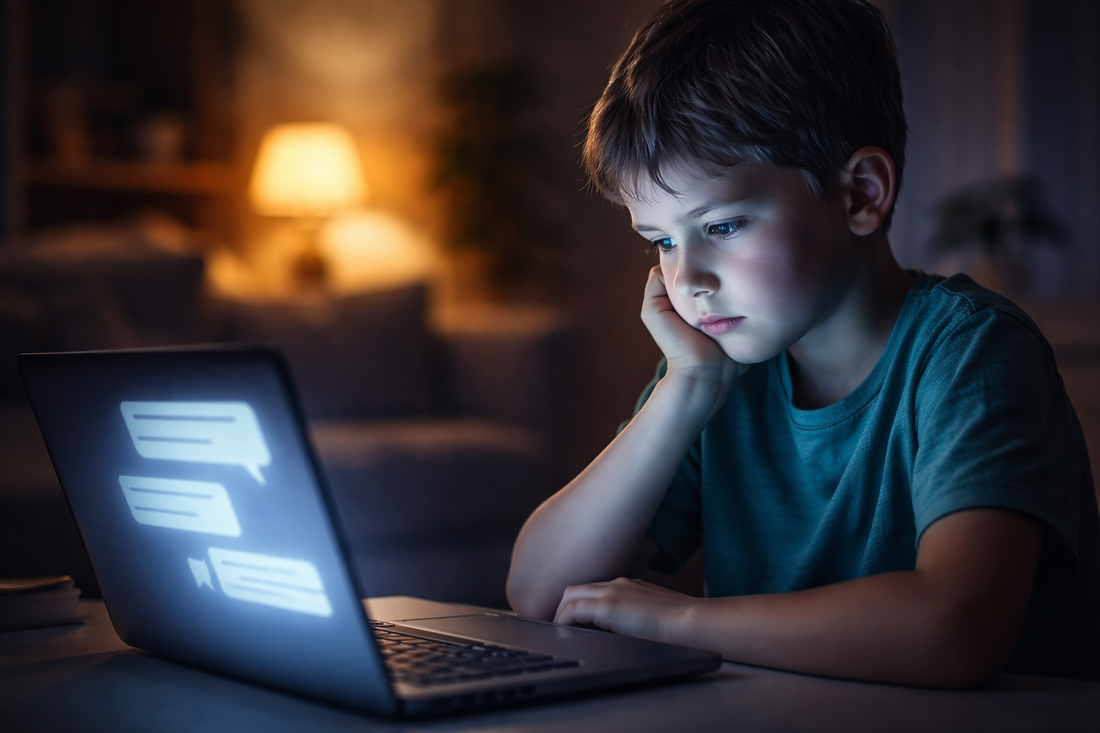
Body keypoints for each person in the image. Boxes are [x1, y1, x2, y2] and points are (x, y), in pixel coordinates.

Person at [506, 0, 1100, 686]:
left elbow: (954, 627)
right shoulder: (717, 373)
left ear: (861, 195)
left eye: (723, 226)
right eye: (662, 240)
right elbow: (538, 591)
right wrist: (684, 389)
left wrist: (676, 620)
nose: (687, 277)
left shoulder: (972, 351)